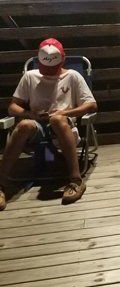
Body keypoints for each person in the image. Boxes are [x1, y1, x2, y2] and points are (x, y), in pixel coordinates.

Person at [0, 38, 97, 209]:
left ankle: (75, 180)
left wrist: (64, 112)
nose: (49, 72)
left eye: (52, 68)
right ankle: (1, 184)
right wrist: (29, 113)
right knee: (23, 125)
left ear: (62, 59)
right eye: (46, 69)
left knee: (57, 119)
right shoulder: (30, 76)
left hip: (64, 127)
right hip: (37, 125)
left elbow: (91, 104)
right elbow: (12, 107)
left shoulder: (72, 76)